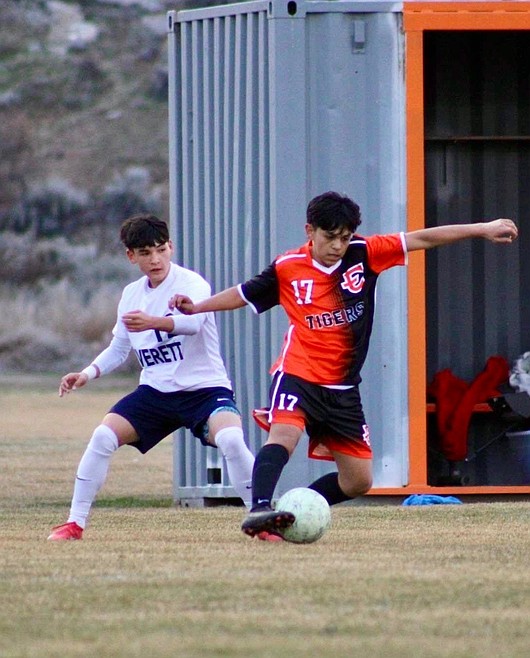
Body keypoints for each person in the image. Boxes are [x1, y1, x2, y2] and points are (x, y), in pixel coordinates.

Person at [169, 191, 518, 540]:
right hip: (298, 373)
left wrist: (482, 228)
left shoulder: (365, 253)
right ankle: (259, 510)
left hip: (343, 388)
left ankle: (292, 512)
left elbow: (422, 238)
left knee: (358, 480)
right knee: (285, 436)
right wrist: (197, 307)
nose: (338, 245)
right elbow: (243, 293)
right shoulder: (287, 267)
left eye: (345, 237)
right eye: (330, 236)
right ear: (310, 231)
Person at [48, 214, 254, 541]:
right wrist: (87, 373)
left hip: (205, 390)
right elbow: (119, 348)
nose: (155, 259)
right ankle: (74, 523)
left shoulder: (192, 284)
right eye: (145, 252)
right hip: (155, 394)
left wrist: (154, 322)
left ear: (171, 247)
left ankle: (260, 516)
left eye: (160, 249)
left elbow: (193, 325)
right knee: (102, 437)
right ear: (131, 256)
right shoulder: (132, 294)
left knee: (230, 439)